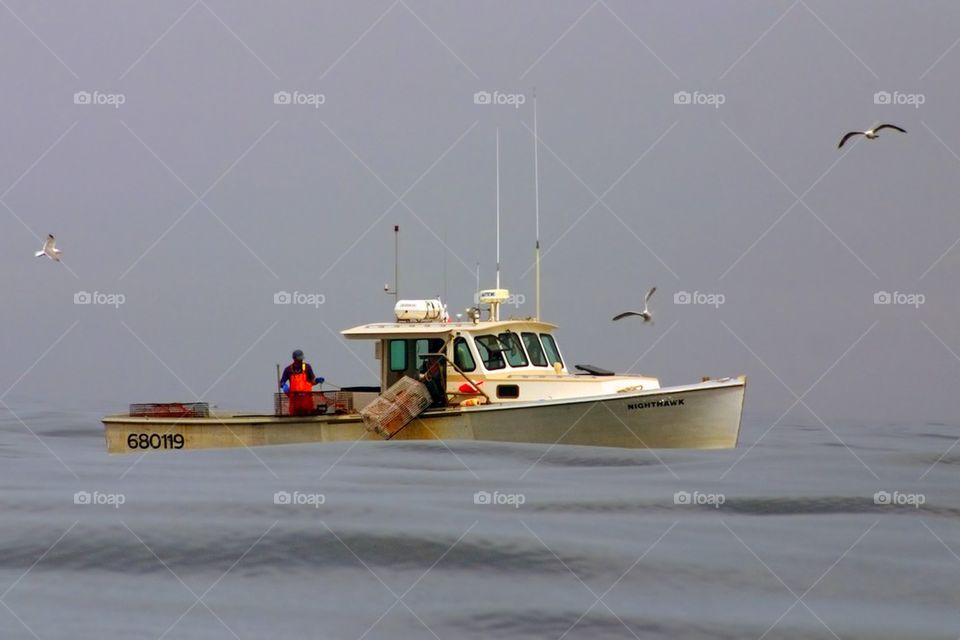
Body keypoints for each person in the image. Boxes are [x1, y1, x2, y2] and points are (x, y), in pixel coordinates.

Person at [280, 350, 324, 415]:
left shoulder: (307, 367)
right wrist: (284, 386)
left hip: (306, 401)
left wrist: (317, 380)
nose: (301, 361)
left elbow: (312, 381)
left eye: (301, 359)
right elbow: (281, 382)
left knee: (308, 415)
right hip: (295, 402)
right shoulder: (288, 369)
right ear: (294, 359)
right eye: (299, 359)